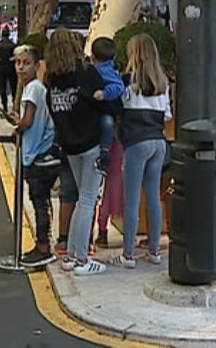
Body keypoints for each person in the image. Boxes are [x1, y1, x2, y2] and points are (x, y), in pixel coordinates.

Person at [45, 28, 106, 275]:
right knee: (88, 200)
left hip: (69, 145)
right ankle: (81, 258)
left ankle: (71, 254)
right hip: (90, 142)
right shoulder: (86, 73)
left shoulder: (51, 79)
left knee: (82, 198)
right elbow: (103, 101)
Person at [109, 34, 171, 269]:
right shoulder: (163, 82)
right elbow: (167, 116)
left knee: (132, 200)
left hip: (136, 142)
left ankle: (128, 254)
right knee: (153, 197)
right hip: (159, 142)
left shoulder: (127, 82)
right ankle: (154, 250)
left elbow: (118, 110)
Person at [7, 44, 61, 268]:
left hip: (36, 153)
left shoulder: (32, 89)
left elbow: (28, 121)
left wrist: (17, 127)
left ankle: (43, 247)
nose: (21, 67)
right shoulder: (37, 88)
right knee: (41, 201)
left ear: (37, 65)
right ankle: (43, 244)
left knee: (39, 201)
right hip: (41, 151)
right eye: (18, 63)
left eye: (26, 63)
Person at [90, 36, 124, 175]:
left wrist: (105, 93)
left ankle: (104, 152)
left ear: (92, 56)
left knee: (107, 123)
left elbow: (119, 86)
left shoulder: (108, 71)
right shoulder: (93, 69)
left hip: (104, 109)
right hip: (95, 109)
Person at [0, 27, 17, 113]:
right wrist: (10, 59)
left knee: (2, 88)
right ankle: (14, 104)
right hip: (10, 68)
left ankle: (4, 105)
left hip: (0, 67)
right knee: (13, 87)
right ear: (9, 34)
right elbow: (16, 55)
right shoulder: (12, 45)